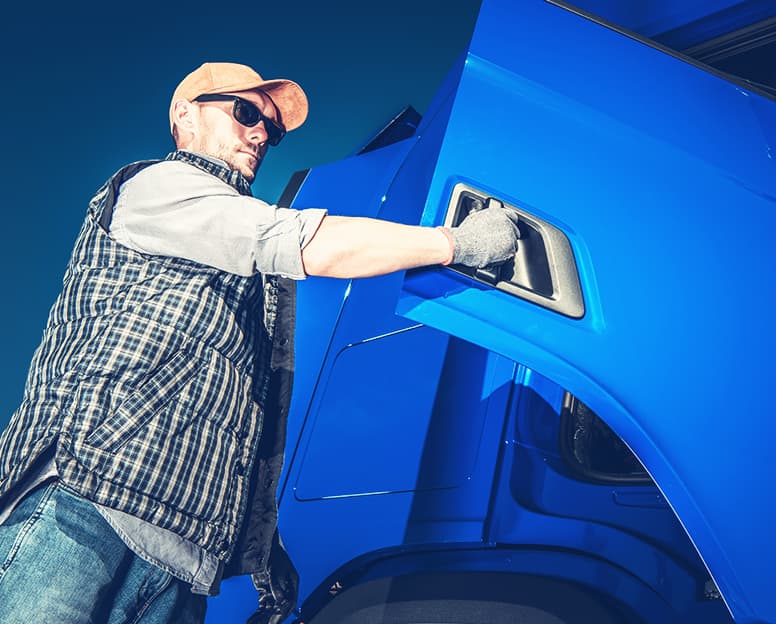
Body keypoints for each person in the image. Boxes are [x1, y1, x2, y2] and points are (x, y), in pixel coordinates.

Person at [0, 62, 519, 624]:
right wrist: (456, 243)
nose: (261, 135)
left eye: (271, 129)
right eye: (246, 112)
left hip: (182, 560)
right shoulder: (159, 186)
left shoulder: (247, 266)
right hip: (81, 509)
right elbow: (309, 244)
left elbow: (249, 421)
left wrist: (262, 544)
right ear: (185, 116)